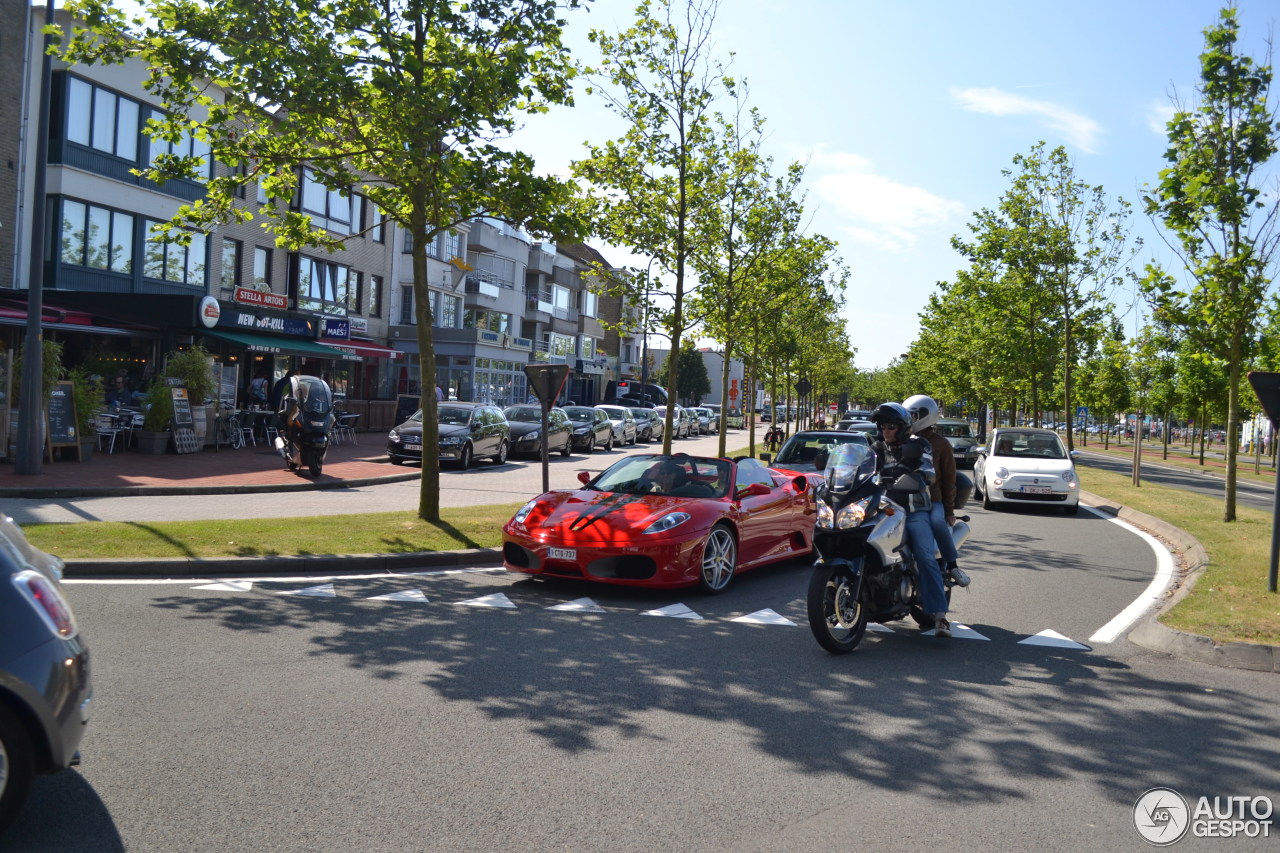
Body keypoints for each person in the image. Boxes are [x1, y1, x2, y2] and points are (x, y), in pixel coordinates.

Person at [869, 401, 952, 637]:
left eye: (891, 426)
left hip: (913, 510)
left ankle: (940, 616)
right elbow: (861, 467)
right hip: (882, 509)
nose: (886, 431)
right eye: (882, 426)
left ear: (903, 427)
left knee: (925, 556)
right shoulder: (876, 447)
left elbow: (928, 471)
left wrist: (919, 474)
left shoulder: (920, 444)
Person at [904, 394, 970, 588]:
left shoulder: (941, 444)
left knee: (937, 522)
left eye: (915, 416)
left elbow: (950, 479)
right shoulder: (902, 439)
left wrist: (949, 511)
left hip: (932, 499)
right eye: (909, 416)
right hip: (902, 499)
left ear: (927, 415)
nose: (911, 420)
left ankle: (952, 565)